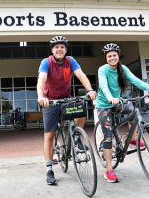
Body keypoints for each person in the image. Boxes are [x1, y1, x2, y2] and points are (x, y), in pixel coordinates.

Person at [96, 43, 149, 183]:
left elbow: (136, 81)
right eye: (109, 56)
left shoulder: (123, 69)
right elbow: (103, 85)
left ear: (118, 56)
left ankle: (132, 138)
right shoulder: (103, 69)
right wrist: (109, 97)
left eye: (114, 55)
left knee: (131, 108)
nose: (112, 58)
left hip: (117, 101)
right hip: (104, 104)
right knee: (108, 136)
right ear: (106, 58)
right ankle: (109, 170)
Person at [37, 35, 97, 185]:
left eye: (62, 47)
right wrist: (41, 97)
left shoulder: (71, 61)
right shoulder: (46, 62)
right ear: (52, 50)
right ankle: (49, 168)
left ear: (65, 49)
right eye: (56, 47)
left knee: (82, 109)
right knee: (49, 135)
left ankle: (76, 137)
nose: (59, 49)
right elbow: (41, 80)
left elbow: (81, 75)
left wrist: (89, 90)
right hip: (50, 101)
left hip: (66, 98)